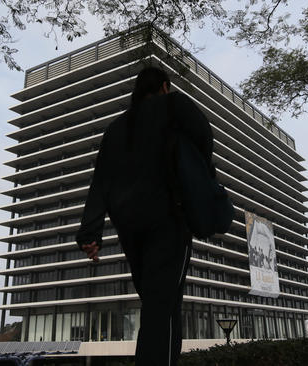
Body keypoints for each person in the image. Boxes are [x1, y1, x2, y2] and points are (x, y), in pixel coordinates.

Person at [76, 66, 213, 366]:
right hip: (168, 221)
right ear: (164, 87)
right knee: (160, 307)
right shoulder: (173, 105)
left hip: (130, 228)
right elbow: (205, 137)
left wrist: (90, 234)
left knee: (160, 304)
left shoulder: (115, 129)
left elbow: (100, 181)